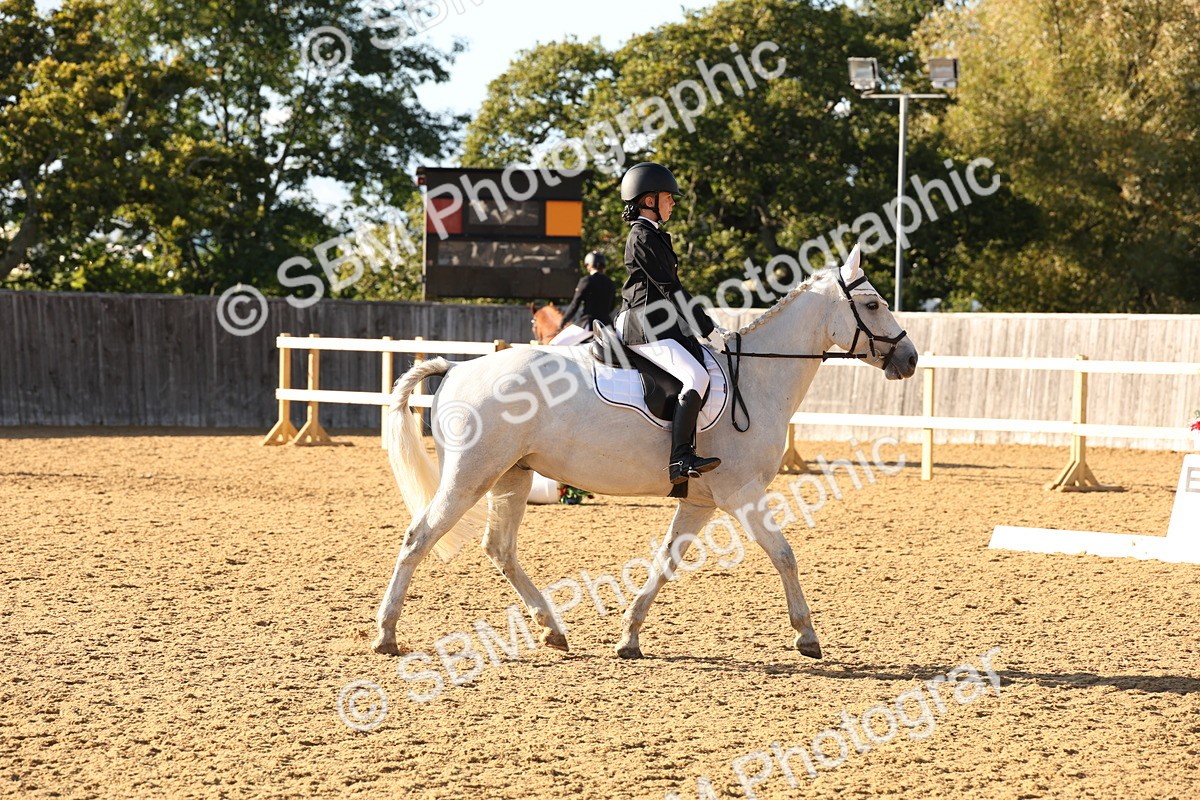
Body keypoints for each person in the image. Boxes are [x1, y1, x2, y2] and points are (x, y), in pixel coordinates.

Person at [613, 162, 722, 484]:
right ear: (649, 201)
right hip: (643, 326)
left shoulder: (654, 235)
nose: (673, 202)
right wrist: (707, 329)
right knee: (696, 376)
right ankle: (680, 459)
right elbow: (671, 289)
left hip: (657, 324)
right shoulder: (642, 236)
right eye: (668, 197)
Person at [548, 250, 615, 346]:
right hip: (606, 326)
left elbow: (575, 304)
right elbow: (611, 307)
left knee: (553, 345)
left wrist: (563, 322)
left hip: (588, 324)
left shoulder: (586, 281)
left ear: (589, 265)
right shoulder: (610, 283)